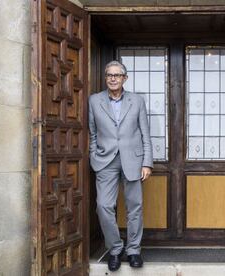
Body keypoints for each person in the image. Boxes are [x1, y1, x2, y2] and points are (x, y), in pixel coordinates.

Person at [88, 60, 153, 271]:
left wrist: (147, 163)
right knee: (103, 206)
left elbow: (145, 133)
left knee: (135, 207)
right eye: (109, 75)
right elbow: (92, 133)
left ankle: (134, 250)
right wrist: (93, 156)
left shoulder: (137, 101)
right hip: (105, 161)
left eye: (117, 75)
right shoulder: (94, 101)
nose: (113, 78)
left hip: (133, 160)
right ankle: (115, 249)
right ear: (105, 78)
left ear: (125, 78)